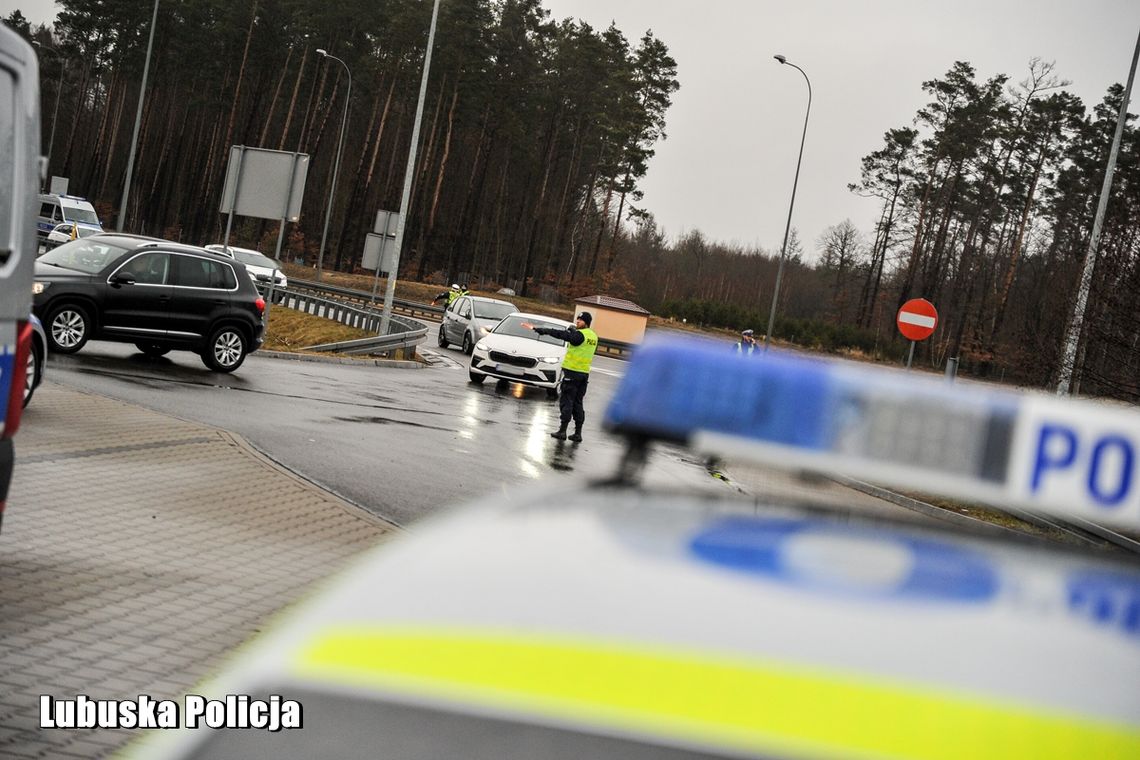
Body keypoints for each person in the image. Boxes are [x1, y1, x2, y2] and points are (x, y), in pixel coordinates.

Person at [527, 311, 598, 442]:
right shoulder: (593, 336)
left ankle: (562, 430)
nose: (577, 322)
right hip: (583, 374)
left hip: (572, 373)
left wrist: (543, 330)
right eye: (577, 320)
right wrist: (573, 333)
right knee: (578, 403)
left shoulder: (579, 335)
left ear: (586, 322)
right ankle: (578, 433)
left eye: (580, 321)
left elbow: (561, 335)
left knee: (567, 401)